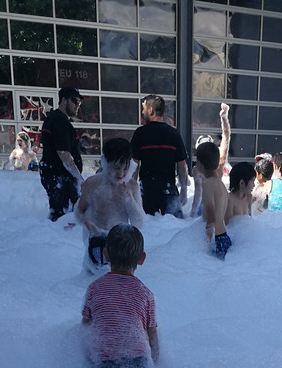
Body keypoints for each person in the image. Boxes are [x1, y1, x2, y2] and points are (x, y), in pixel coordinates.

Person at [80, 224, 158, 368]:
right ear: (142, 259)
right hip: (138, 362)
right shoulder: (145, 294)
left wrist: (84, 358)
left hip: (104, 361)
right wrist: (156, 365)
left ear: (105, 255)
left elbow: (85, 328)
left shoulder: (94, 289)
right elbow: (152, 335)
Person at [75, 136, 145, 272]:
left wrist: (128, 197)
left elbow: (139, 223)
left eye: (125, 168)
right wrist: (88, 225)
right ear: (106, 163)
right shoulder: (93, 183)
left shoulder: (132, 186)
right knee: (92, 280)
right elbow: (79, 211)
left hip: (120, 249)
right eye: (116, 168)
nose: (121, 174)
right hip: (96, 242)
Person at [131, 94, 188, 217]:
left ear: (150, 110)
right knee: (174, 225)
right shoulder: (174, 134)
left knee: (148, 226)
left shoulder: (140, 133)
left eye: (143, 108)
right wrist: (184, 188)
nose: (142, 112)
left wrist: (132, 188)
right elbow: (182, 165)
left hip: (147, 191)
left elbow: (134, 165)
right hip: (168, 189)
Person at [39, 86, 84, 221]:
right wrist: (79, 178)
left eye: (79, 103)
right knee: (63, 217)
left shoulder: (54, 118)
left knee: (61, 213)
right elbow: (64, 154)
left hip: (56, 175)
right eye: (74, 101)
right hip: (60, 176)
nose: (77, 105)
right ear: (64, 100)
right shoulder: (60, 121)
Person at [191, 103, 230, 217]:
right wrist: (224, 118)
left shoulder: (196, 169)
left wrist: (192, 215)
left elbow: (197, 194)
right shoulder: (219, 163)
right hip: (220, 202)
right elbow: (226, 137)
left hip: (205, 205)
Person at [195, 141, 229, 258]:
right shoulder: (221, 184)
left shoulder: (208, 184)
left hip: (217, 240)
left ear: (199, 164)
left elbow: (211, 217)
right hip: (224, 237)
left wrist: (206, 243)